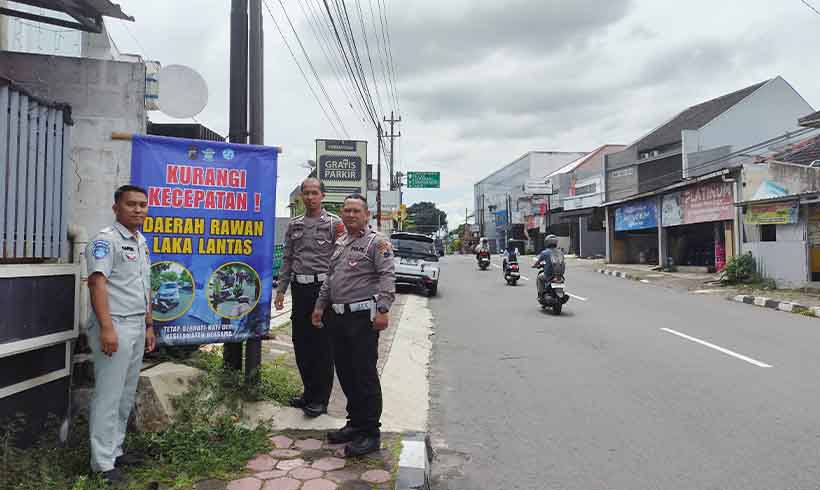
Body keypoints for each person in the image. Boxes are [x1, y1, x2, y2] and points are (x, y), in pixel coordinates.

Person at [311, 194, 395, 458]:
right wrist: (319, 306)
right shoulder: (341, 242)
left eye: (356, 211)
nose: (350, 215)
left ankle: (370, 433)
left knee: (364, 375)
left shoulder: (377, 242)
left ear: (367, 215)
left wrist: (383, 309)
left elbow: (387, 276)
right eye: (346, 210)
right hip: (338, 318)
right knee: (346, 373)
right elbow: (331, 278)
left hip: (362, 319)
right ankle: (355, 423)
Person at [85, 185, 156, 486]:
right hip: (113, 326)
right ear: (116, 208)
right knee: (108, 396)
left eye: (143, 205)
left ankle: (114, 451)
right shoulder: (105, 240)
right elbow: (96, 284)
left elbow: (143, 286)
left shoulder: (140, 242)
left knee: (125, 395)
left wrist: (149, 325)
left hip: (136, 325)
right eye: (131, 205)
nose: (138, 210)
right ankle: (101, 465)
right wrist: (107, 328)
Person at [275, 178, 343, 417]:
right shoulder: (294, 225)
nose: (310, 197)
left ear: (322, 196)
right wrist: (281, 289)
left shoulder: (335, 224)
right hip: (299, 290)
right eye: (306, 193)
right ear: (301, 197)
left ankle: (320, 399)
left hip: (323, 292)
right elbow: (288, 258)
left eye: (315, 193)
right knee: (301, 343)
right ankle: (308, 392)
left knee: (322, 346)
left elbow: (341, 261)